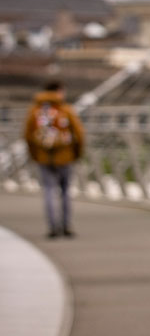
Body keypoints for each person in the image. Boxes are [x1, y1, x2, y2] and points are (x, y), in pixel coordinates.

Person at [24, 79, 85, 239]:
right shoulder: (66, 109)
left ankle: (52, 227)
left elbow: (28, 136)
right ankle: (66, 226)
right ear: (59, 91)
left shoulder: (35, 111)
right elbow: (79, 134)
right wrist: (76, 154)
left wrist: (35, 155)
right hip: (65, 157)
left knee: (49, 191)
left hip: (43, 158)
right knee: (65, 192)